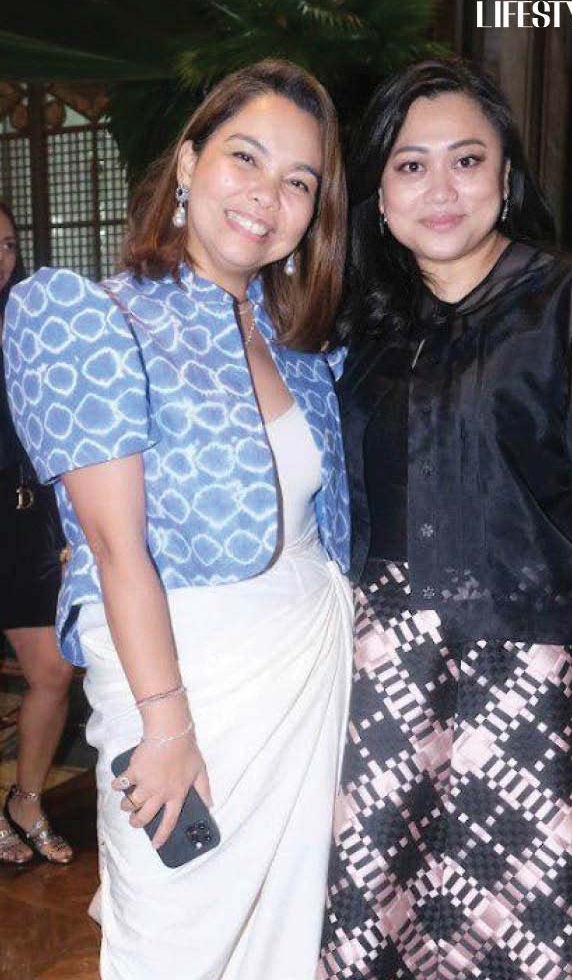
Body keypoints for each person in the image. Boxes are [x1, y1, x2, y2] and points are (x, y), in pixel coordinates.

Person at [318, 59, 572, 980]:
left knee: (532, 920)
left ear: (506, 176)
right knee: (387, 910)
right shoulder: (367, 323)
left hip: (534, 665)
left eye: (467, 160)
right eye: (411, 166)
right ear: (379, 195)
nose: (440, 190)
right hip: (385, 670)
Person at [3, 61, 353, 979]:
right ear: (191, 162)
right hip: (182, 679)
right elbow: (115, 551)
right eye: (246, 157)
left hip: (305, 669)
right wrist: (165, 729)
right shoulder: (101, 321)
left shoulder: (302, 345)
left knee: (286, 939)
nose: (268, 195)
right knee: (171, 942)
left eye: (299, 181)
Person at [0, 201, 73, 866]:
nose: (0, 257)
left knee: (52, 669)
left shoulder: (27, 321)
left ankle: (25, 800)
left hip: (23, 518)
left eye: (6, 244)